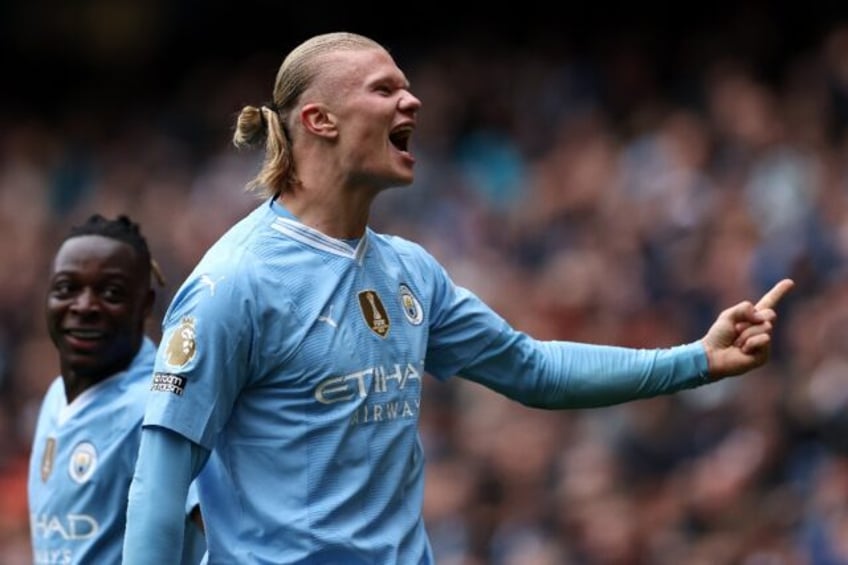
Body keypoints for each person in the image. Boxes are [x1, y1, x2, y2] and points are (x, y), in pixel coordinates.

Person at [122, 32, 794, 564]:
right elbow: (159, 483)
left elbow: (533, 368)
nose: (411, 103)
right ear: (318, 119)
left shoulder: (410, 271)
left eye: (408, 89)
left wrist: (696, 360)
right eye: (385, 89)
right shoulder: (234, 282)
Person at [28, 214, 206, 565]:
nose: (84, 306)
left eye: (110, 292)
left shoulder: (158, 408)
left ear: (145, 305)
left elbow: (223, 534)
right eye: (67, 288)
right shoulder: (55, 397)